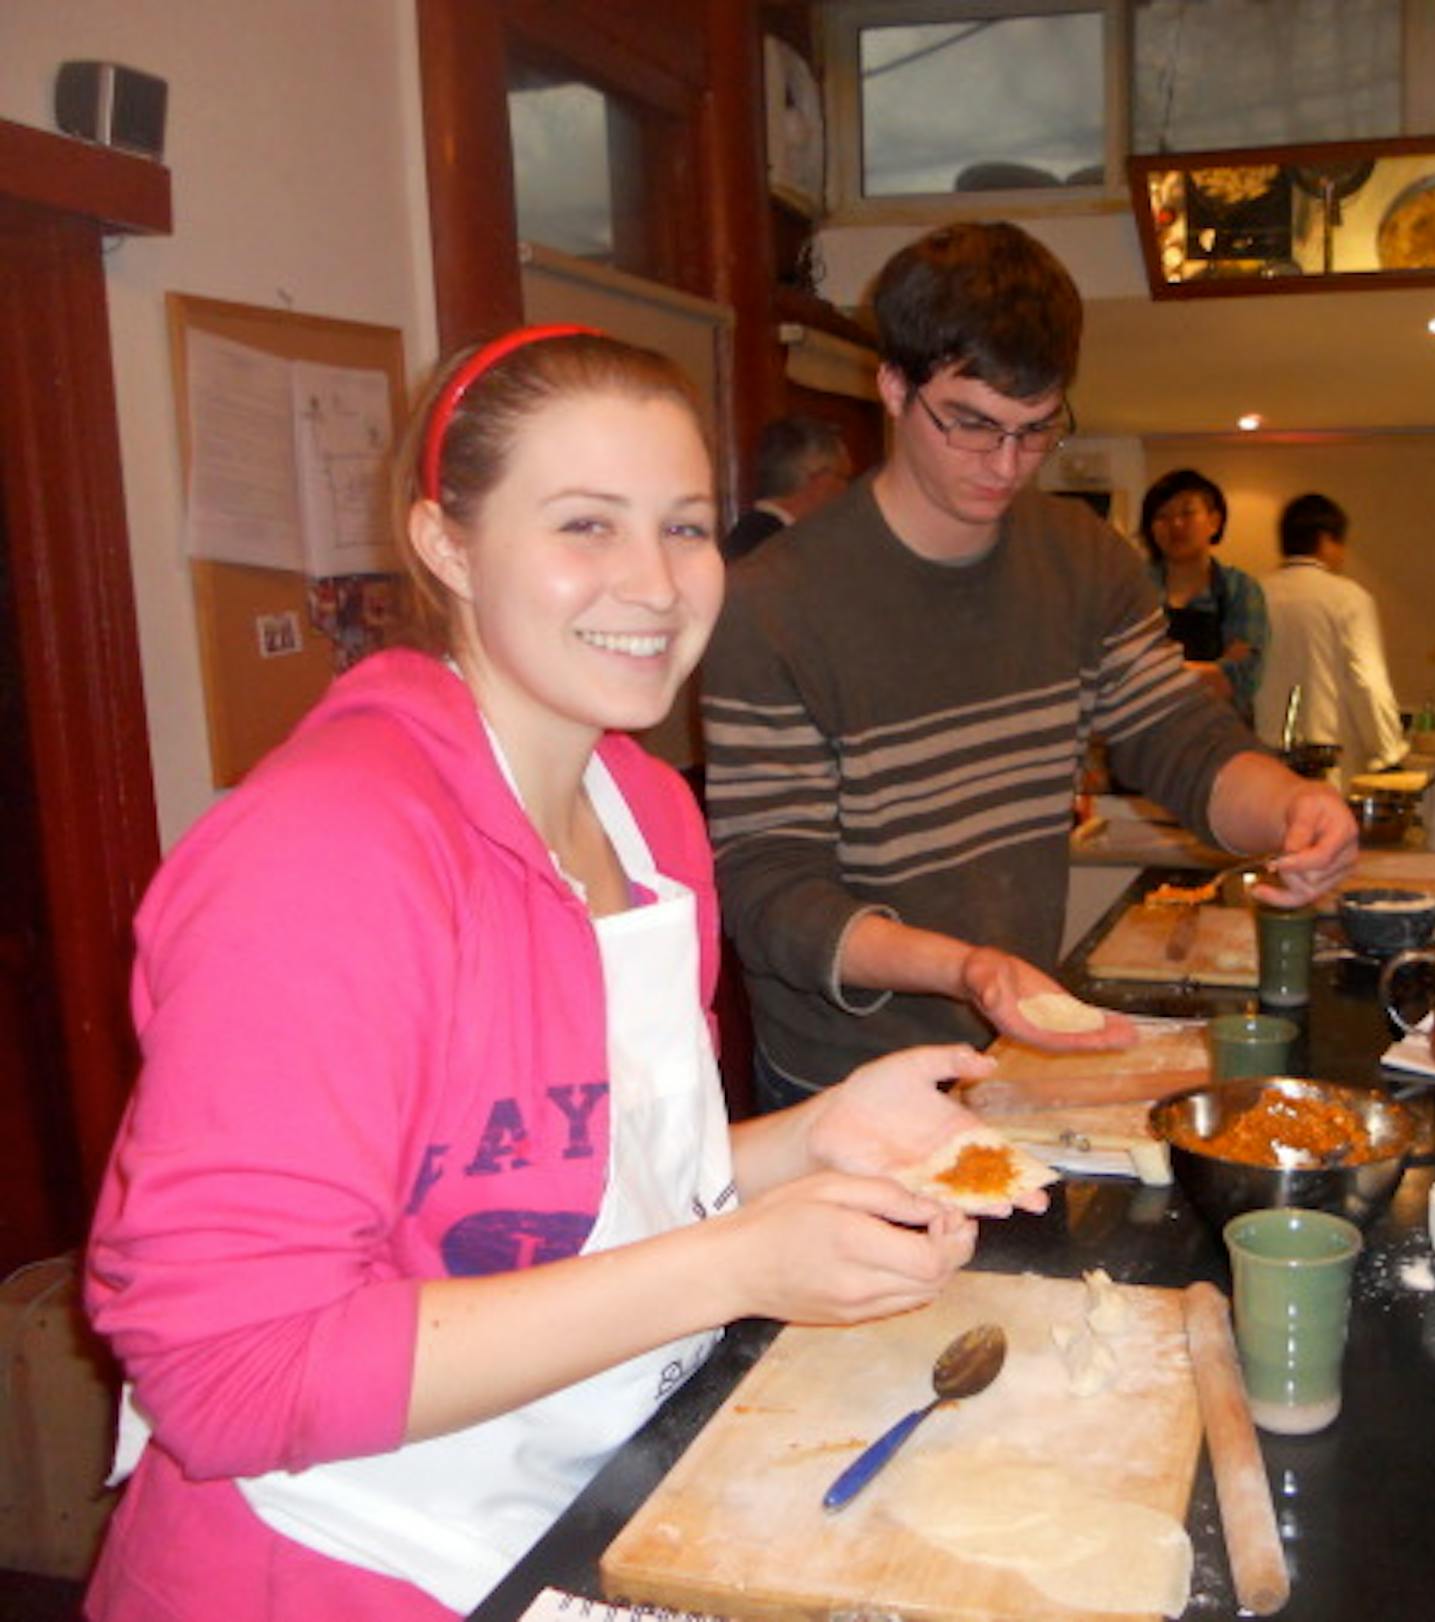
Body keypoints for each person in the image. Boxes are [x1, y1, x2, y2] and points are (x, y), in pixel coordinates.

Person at [82, 327, 1029, 1621]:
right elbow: (229, 1372)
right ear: (447, 544)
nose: (653, 581)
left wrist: (814, 1140)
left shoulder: (645, 817)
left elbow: (566, 1182)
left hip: (572, 1516)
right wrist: (740, 1265)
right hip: (342, 1562)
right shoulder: (327, 857)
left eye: (687, 527)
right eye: (586, 524)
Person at [703, 222, 1358, 1111]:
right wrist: (963, 969)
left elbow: (1181, 740)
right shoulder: (772, 604)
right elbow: (768, 889)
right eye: (971, 425)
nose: (1005, 465)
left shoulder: (1081, 558)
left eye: (1036, 430)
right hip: (848, 1084)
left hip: (1015, 1056)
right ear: (893, 386)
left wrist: (1292, 806)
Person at [1252, 492, 1409, 786]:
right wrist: (1389, 754)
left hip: (1260, 765)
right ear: (1326, 540)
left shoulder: (1253, 595)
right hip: (1326, 767)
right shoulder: (1348, 598)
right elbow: (1368, 681)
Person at [1139, 467, 1268, 722]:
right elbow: (1117, 673)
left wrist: (1156, 673)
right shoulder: (1134, 587)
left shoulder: (1239, 589)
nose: (1175, 524)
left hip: (1222, 737)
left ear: (1214, 521)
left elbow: (1241, 679)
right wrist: (1208, 670)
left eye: (1187, 513)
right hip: (1149, 740)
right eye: (1162, 516)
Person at [722, 413, 853, 562]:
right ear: (819, 481)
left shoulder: (747, 535)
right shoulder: (783, 551)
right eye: (844, 477)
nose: (847, 490)